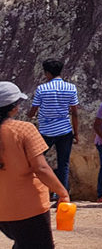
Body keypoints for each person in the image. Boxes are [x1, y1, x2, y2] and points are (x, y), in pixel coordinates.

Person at [0, 81, 70, 249]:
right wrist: (62, 192)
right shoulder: (24, 130)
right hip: (29, 208)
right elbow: (41, 168)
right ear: (14, 107)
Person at [27, 59, 79, 193]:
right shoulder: (71, 88)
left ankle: (35, 190)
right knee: (64, 164)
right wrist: (76, 133)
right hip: (65, 130)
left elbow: (32, 112)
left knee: (35, 160)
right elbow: (74, 113)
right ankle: (62, 195)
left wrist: (30, 115)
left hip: (46, 132)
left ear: (47, 73)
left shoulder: (42, 89)